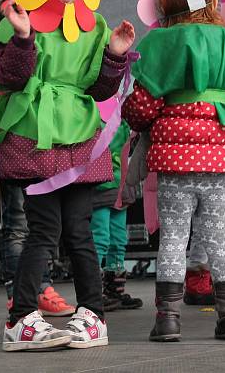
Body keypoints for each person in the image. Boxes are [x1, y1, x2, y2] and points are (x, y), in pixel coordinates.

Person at [0, 0, 135, 351]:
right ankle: (21, 318)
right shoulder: (23, 19)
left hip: (79, 136)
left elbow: (98, 87)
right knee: (43, 231)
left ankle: (93, 315)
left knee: (79, 231)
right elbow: (8, 78)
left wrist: (116, 56)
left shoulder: (94, 25)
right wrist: (24, 39)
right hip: (36, 134)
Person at [122, 0, 225, 342]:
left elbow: (141, 109)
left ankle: (167, 320)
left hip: (173, 164)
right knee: (219, 239)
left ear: (163, 3)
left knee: (173, 240)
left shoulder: (157, 45)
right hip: (218, 162)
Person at [0, 1, 75, 317]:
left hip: (43, 150)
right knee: (18, 225)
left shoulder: (52, 35)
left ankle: (41, 286)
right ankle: (21, 292)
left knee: (44, 225)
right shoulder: (8, 40)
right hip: (17, 147)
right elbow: (8, 78)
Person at [90, 120, 143, 311]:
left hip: (119, 184)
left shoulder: (122, 117)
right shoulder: (93, 112)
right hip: (99, 183)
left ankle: (115, 291)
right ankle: (93, 292)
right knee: (100, 238)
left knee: (118, 239)